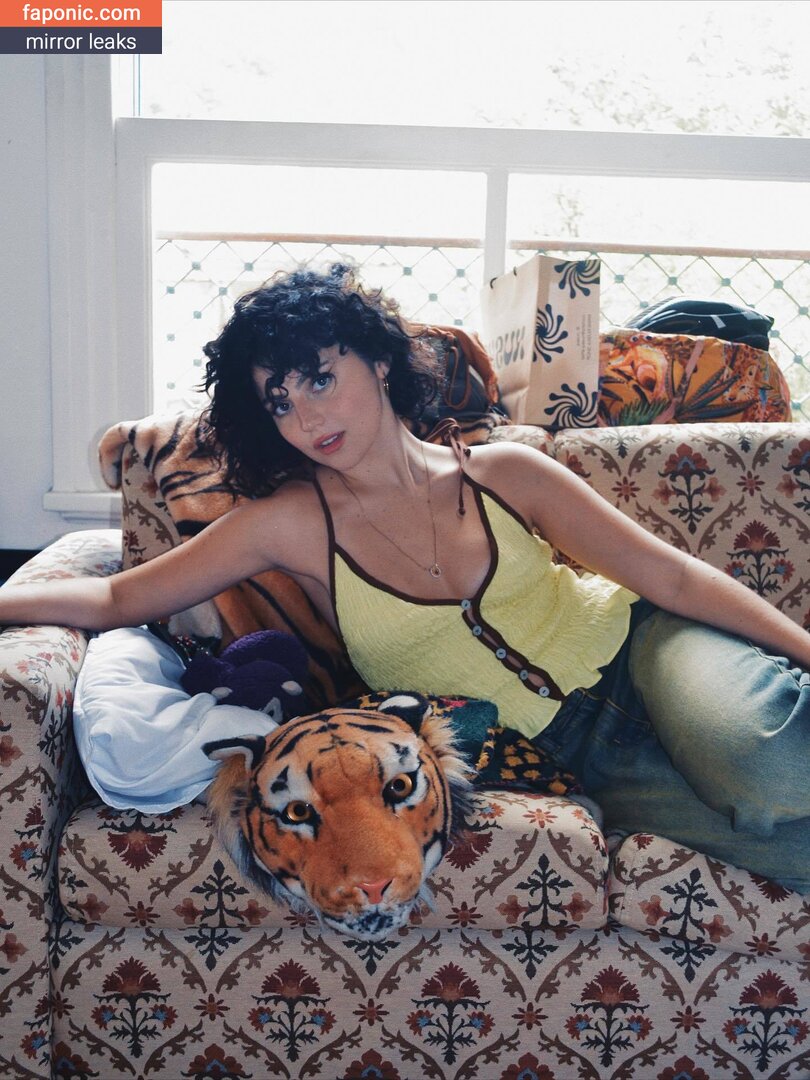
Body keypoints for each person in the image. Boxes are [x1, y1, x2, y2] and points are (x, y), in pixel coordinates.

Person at [2, 264, 809, 890]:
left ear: (381, 362)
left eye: (320, 378)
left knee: (769, 767)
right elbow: (118, 595)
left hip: (649, 649)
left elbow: (674, 578)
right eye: (279, 402)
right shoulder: (288, 524)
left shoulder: (505, 472)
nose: (306, 417)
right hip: (567, 750)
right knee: (788, 845)